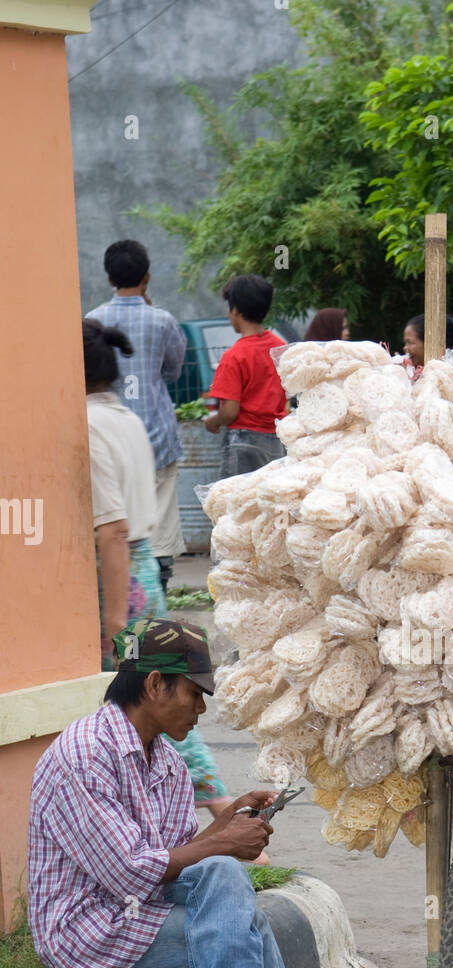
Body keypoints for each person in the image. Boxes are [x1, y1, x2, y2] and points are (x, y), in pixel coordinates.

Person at [27, 618, 353, 968]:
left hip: (136, 912)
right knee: (244, 913)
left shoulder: (168, 763)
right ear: (155, 684)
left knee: (232, 892)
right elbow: (129, 873)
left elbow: (181, 860)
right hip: (85, 931)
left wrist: (228, 825)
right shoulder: (83, 756)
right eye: (195, 695)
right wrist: (221, 842)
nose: (202, 710)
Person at [84, 317, 235, 820]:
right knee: (165, 695)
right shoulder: (125, 417)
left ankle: (216, 814)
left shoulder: (85, 424)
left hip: (118, 578)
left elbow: (109, 528)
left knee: (142, 700)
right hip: (142, 570)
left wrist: (113, 624)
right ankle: (218, 807)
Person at [89, 240, 187, 595]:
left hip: (105, 435)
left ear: (108, 277)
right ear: (146, 278)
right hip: (156, 434)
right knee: (158, 520)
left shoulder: (94, 320)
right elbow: (174, 370)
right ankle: (157, 591)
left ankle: (115, 590)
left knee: (111, 513)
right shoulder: (163, 320)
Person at [205, 274, 288, 478]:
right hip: (277, 442)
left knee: (238, 506)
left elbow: (230, 411)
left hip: (242, 443)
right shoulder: (280, 348)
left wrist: (214, 422)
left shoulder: (233, 356)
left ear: (236, 311)